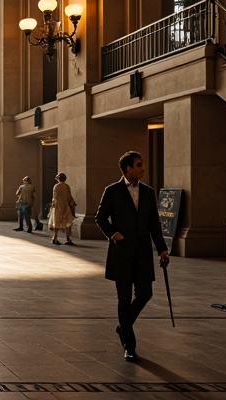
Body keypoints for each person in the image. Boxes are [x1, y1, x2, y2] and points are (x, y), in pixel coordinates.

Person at [95, 151, 170, 363]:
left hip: (143, 253)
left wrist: (162, 249)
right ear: (127, 169)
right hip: (122, 252)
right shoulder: (112, 191)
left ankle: (123, 325)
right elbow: (100, 218)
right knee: (124, 298)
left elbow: (154, 223)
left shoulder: (147, 192)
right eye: (138, 165)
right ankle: (129, 345)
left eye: (142, 165)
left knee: (145, 293)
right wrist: (113, 234)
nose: (142, 168)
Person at [50, 172, 77, 245]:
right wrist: (72, 203)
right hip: (65, 206)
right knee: (68, 223)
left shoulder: (56, 186)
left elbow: (55, 197)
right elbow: (69, 196)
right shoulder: (66, 186)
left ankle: (54, 238)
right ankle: (68, 239)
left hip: (57, 206)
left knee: (56, 222)